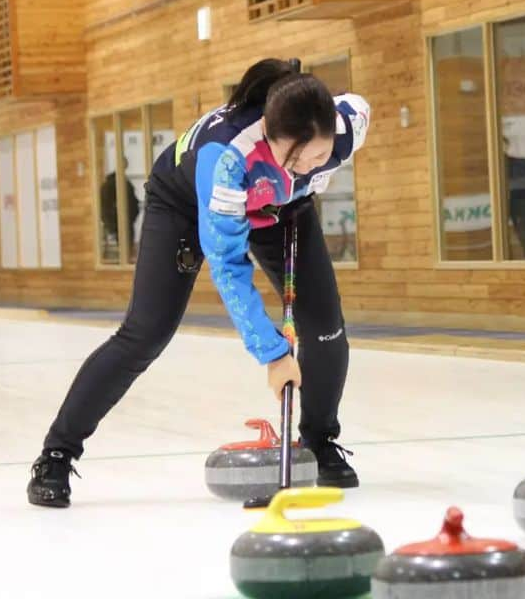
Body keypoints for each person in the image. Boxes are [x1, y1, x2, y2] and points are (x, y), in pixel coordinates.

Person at [28, 58, 371, 508]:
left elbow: (344, 125)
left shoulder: (350, 123)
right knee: (145, 333)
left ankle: (319, 441)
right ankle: (56, 453)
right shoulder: (228, 157)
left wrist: (294, 181)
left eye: (319, 158)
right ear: (268, 133)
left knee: (325, 326)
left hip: (280, 209)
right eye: (295, 158)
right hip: (186, 204)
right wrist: (272, 353)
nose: (307, 167)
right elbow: (227, 263)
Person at [99, 157, 140, 260]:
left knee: (127, 252)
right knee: (121, 254)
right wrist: (111, 226)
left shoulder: (126, 183)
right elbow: (105, 207)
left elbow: (133, 204)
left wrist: (132, 217)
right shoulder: (110, 184)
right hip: (117, 225)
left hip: (127, 224)